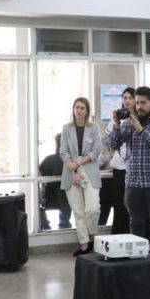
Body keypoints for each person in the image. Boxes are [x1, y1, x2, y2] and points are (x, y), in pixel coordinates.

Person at [107, 86, 150, 240]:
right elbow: (114, 144)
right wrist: (117, 124)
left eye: (143, 103)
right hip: (133, 183)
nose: (139, 107)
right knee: (136, 223)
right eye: (137, 103)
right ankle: (139, 255)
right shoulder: (129, 124)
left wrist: (141, 130)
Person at [60, 97, 104, 256]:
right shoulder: (66, 128)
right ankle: (84, 244)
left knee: (93, 208)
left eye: (82, 108)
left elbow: (96, 151)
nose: (79, 110)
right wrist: (74, 170)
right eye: (76, 107)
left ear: (87, 111)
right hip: (70, 172)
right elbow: (63, 151)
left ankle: (91, 236)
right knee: (78, 211)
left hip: (88, 170)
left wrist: (78, 163)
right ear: (73, 109)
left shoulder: (93, 128)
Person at [100, 87, 135, 232]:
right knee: (119, 203)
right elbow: (109, 140)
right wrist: (115, 151)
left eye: (130, 98)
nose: (127, 101)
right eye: (124, 98)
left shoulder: (139, 117)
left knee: (133, 203)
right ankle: (118, 233)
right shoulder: (118, 117)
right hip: (119, 166)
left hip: (135, 167)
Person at [39, 134, 72, 231]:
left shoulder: (48, 160)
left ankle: (45, 226)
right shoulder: (72, 161)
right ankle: (64, 224)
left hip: (49, 198)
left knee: (38, 198)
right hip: (66, 199)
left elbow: (41, 175)